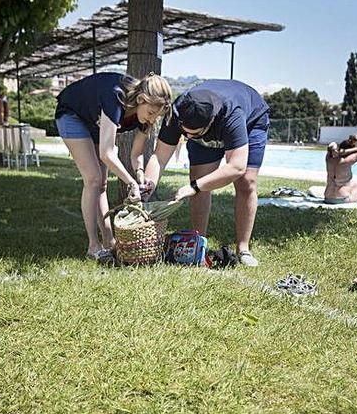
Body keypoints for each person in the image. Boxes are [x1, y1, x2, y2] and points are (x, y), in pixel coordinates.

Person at [142, 79, 270, 267]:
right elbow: (159, 156)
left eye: (195, 134)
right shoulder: (177, 112)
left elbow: (236, 167)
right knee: (199, 180)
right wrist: (148, 185)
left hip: (252, 119)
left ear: (210, 123)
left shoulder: (231, 115)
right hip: (208, 122)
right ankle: (198, 242)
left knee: (246, 181)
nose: (190, 137)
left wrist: (193, 187)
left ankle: (243, 248)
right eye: (186, 133)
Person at [55, 71, 173, 261]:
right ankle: (93, 246)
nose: (152, 120)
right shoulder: (115, 96)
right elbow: (107, 153)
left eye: (156, 116)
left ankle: (109, 242)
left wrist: (140, 176)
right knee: (93, 179)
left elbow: (136, 154)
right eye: (151, 113)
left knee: (102, 184)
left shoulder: (146, 117)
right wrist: (131, 183)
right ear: (141, 99)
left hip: (95, 122)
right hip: (72, 114)